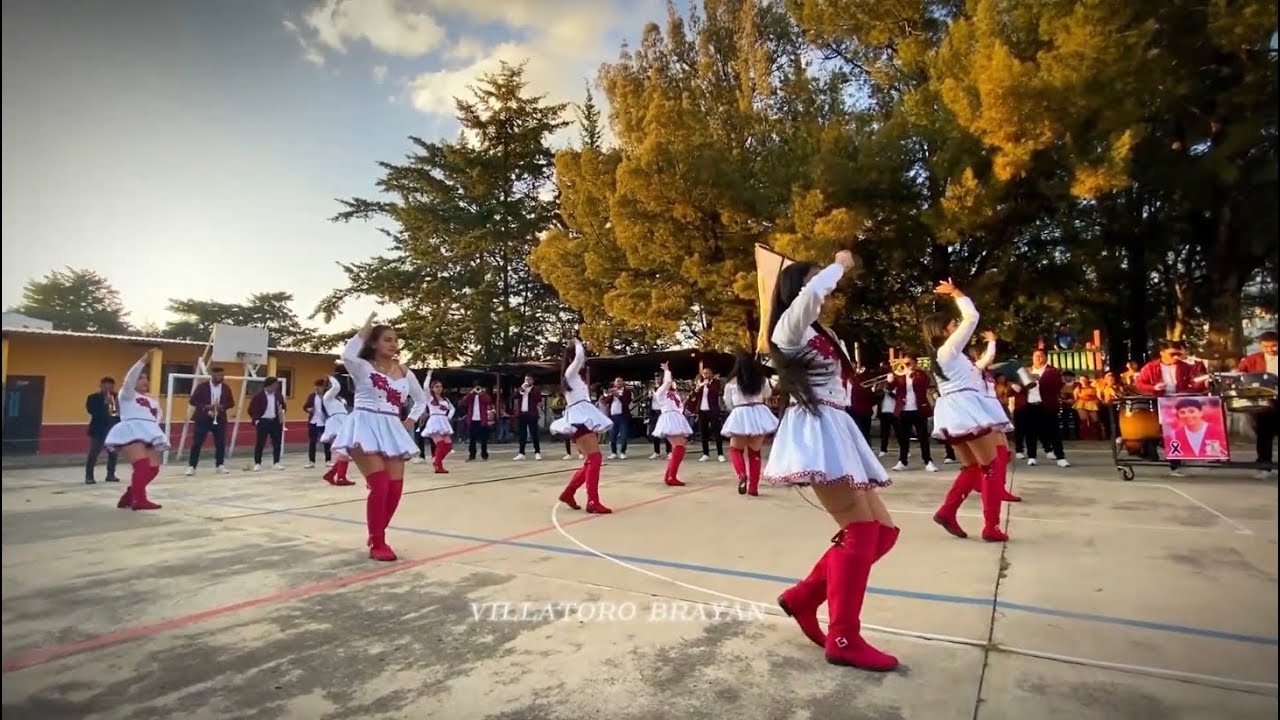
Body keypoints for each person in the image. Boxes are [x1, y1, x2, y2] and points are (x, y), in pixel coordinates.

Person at [768, 251, 898, 672]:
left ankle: (805, 597)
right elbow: (812, 295)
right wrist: (839, 264)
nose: (821, 291)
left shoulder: (825, 333)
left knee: (883, 533)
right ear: (797, 290)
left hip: (838, 428)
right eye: (810, 282)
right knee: (861, 532)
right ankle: (844, 636)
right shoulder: (789, 328)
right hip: (817, 431)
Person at [925, 282, 1018, 543]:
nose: (957, 328)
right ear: (943, 330)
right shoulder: (948, 350)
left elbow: (979, 367)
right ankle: (991, 527)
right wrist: (957, 294)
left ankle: (947, 511)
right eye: (953, 325)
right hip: (966, 411)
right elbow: (972, 317)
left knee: (973, 467)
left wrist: (991, 346)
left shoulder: (947, 356)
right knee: (989, 466)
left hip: (954, 413)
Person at [331, 313, 427, 561]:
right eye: (387, 339)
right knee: (380, 485)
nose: (393, 344)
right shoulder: (362, 367)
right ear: (373, 343)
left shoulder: (404, 371)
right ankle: (378, 542)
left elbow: (421, 399)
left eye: (395, 340)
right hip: (364, 424)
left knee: (395, 489)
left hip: (391, 427)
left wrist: (410, 420)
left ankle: (376, 530)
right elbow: (348, 355)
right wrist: (364, 329)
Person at [552, 336, 614, 513]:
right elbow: (580, 358)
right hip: (579, 419)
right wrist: (579, 343)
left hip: (582, 417)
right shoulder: (570, 373)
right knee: (594, 458)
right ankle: (592, 501)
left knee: (591, 460)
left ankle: (569, 493)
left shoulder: (573, 377)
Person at [104, 351, 167, 511]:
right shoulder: (127, 395)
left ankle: (130, 495)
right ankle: (139, 500)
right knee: (142, 465)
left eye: (146, 378)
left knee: (153, 468)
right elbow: (129, 380)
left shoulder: (152, 400)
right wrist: (141, 362)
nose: (145, 380)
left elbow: (157, 417)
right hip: (131, 431)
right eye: (141, 378)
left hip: (150, 433)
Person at [1135, 340, 1208, 476]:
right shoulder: (1151, 367)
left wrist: (1199, 384)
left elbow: (1196, 383)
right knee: (1168, 432)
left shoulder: (1185, 367)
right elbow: (1139, 384)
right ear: (1162, 353)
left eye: (1178, 354)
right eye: (1172, 354)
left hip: (1182, 402)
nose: (1176, 357)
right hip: (1161, 402)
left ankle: (1178, 461)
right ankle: (1173, 462)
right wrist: (1154, 388)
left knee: (1181, 431)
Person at [721, 350, 778, 496]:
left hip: (740, 414)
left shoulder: (731, 383)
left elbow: (728, 403)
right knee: (755, 453)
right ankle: (754, 488)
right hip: (759, 414)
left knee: (735, 450)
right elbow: (767, 395)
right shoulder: (762, 379)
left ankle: (741, 475)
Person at [1237, 331, 1278, 475]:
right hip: (1262, 401)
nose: (1270, 350)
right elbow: (1240, 375)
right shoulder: (1252, 360)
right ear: (1260, 346)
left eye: (1274, 346)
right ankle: (1264, 465)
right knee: (1264, 433)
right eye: (1266, 346)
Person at [887, 357, 937, 472]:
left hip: (918, 410)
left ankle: (928, 461)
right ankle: (902, 461)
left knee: (923, 436)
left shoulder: (920, 375)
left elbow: (925, 383)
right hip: (903, 410)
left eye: (909, 363)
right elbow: (890, 388)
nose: (906, 365)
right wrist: (889, 381)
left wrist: (913, 373)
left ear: (914, 363)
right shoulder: (899, 376)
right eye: (904, 363)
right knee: (903, 437)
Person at [652, 363, 695, 486]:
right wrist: (667, 370)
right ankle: (671, 476)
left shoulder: (674, 393)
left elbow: (679, 406)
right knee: (679, 446)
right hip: (669, 418)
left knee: (680, 446)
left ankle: (669, 475)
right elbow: (667, 382)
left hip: (676, 417)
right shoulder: (661, 391)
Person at [186, 367, 234, 476]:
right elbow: (193, 401)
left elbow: (231, 403)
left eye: (222, 375)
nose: (220, 377)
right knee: (197, 442)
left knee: (220, 443)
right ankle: (192, 466)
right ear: (212, 375)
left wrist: (222, 406)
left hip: (219, 418)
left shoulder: (226, 388)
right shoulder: (202, 387)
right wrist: (207, 407)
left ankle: (220, 465)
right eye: (218, 375)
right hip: (203, 418)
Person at [84, 376, 121, 484]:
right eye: (105, 387)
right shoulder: (93, 397)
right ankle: (89, 476)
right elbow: (91, 411)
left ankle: (111, 475)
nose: (108, 390)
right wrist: (105, 403)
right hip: (98, 429)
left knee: (113, 453)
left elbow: (120, 412)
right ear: (101, 386)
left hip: (113, 429)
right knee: (94, 453)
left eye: (110, 387)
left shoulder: (117, 397)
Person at [319, 375, 354, 486]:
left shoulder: (339, 399)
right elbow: (336, 387)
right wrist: (331, 377)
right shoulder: (327, 397)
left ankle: (332, 475)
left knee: (345, 451)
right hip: (336, 423)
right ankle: (341, 477)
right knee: (343, 451)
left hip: (344, 421)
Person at [686, 367, 726, 463]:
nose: (705, 375)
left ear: (711, 374)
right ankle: (705, 453)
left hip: (712, 411)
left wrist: (706, 384)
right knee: (704, 433)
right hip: (702, 411)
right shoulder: (700, 383)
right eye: (704, 373)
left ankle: (720, 454)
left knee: (717, 433)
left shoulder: (716, 382)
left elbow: (715, 392)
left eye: (707, 373)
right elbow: (694, 396)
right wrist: (697, 388)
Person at [420, 370, 456, 473]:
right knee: (440, 444)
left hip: (443, 421)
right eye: (436, 386)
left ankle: (436, 460)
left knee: (448, 445)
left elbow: (452, 409)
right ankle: (438, 465)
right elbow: (425, 387)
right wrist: (429, 375)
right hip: (435, 421)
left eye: (440, 386)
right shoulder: (430, 397)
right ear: (432, 388)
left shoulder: (445, 399)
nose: (439, 388)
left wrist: (448, 417)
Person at [249, 377, 287, 471]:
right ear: (269, 385)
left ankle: (276, 462)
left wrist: (282, 412)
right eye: (275, 384)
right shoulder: (258, 396)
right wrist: (257, 421)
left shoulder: (278, 395)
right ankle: (258, 463)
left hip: (275, 421)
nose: (277, 386)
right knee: (260, 443)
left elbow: (283, 406)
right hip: (263, 421)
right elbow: (251, 410)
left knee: (277, 443)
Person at [303, 379, 332, 469]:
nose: (317, 388)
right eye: (316, 386)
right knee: (312, 442)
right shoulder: (312, 396)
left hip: (324, 422)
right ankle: (311, 461)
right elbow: (305, 406)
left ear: (323, 387)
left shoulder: (328, 397)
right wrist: (308, 409)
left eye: (319, 386)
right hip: (314, 422)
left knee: (326, 442)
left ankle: (328, 460)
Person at [513, 375, 543, 460]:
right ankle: (521, 453)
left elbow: (538, 399)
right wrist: (521, 389)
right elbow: (514, 396)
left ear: (532, 381)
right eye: (526, 379)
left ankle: (537, 452)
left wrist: (529, 391)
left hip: (532, 414)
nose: (527, 381)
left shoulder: (536, 389)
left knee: (534, 433)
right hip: (522, 414)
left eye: (529, 379)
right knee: (522, 434)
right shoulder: (521, 388)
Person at [461, 384, 493, 461]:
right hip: (472, 420)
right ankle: (472, 455)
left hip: (482, 420)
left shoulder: (484, 395)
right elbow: (464, 401)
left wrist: (481, 394)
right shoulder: (471, 396)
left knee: (484, 439)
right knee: (472, 439)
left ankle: (484, 455)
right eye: (476, 388)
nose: (477, 390)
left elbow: (488, 400)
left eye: (479, 388)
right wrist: (471, 393)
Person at [603, 377, 633, 460]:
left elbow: (627, 402)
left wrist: (618, 396)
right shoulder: (611, 391)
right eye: (617, 381)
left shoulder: (627, 392)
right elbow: (606, 402)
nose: (619, 382)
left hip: (623, 416)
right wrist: (611, 395)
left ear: (623, 383)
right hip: (613, 417)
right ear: (614, 383)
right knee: (612, 436)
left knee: (623, 435)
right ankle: (614, 453)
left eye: (620, 381)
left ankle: (623, 452)